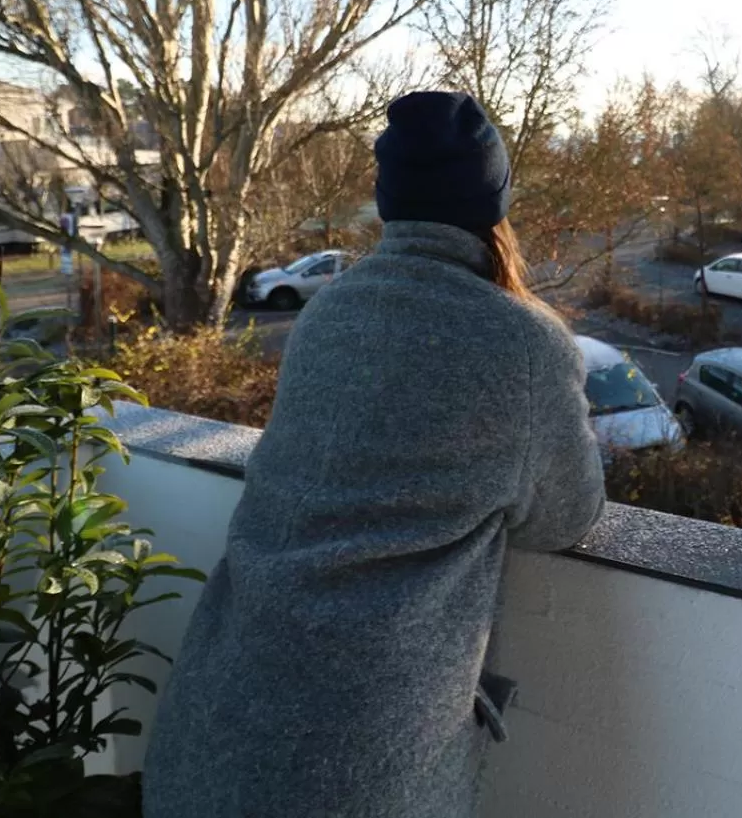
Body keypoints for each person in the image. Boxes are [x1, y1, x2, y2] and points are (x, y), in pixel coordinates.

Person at [141, 91, 606, 818]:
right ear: (494, 202)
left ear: (388, 201)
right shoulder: (525, 345)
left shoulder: (327, 311)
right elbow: (565, 517)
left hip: (207, 729)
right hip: (354, 770)